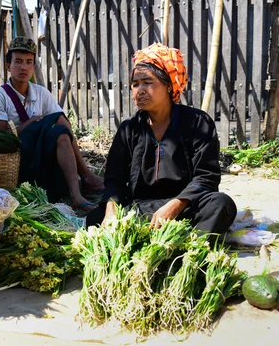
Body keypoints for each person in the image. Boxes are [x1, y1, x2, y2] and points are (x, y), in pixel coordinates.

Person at [86, 43, 236, 233]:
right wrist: (111, 211)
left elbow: (207, 177)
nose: (139, 90)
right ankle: (168, 235)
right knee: (95, 217)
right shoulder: (128, 129)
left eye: (147, 82)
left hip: (185, 205)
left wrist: (174, 206)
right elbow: (114, 180)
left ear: (168, 85)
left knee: (221, 204)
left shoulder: (198, 123)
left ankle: (188, 247)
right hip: (141, 208)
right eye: (135, 84)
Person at [0, 37, 104, 210]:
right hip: (15, 157)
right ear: (8, 66)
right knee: (58, 120)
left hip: (40, 155)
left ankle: (76, 195)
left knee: (61, 132)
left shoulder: (41, 93)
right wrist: (31, 123)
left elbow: (61, 123)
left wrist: (40, 125)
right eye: (18, 62)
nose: (23, 67)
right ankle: (86, 175)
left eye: (28, 62)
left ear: (33, 67)